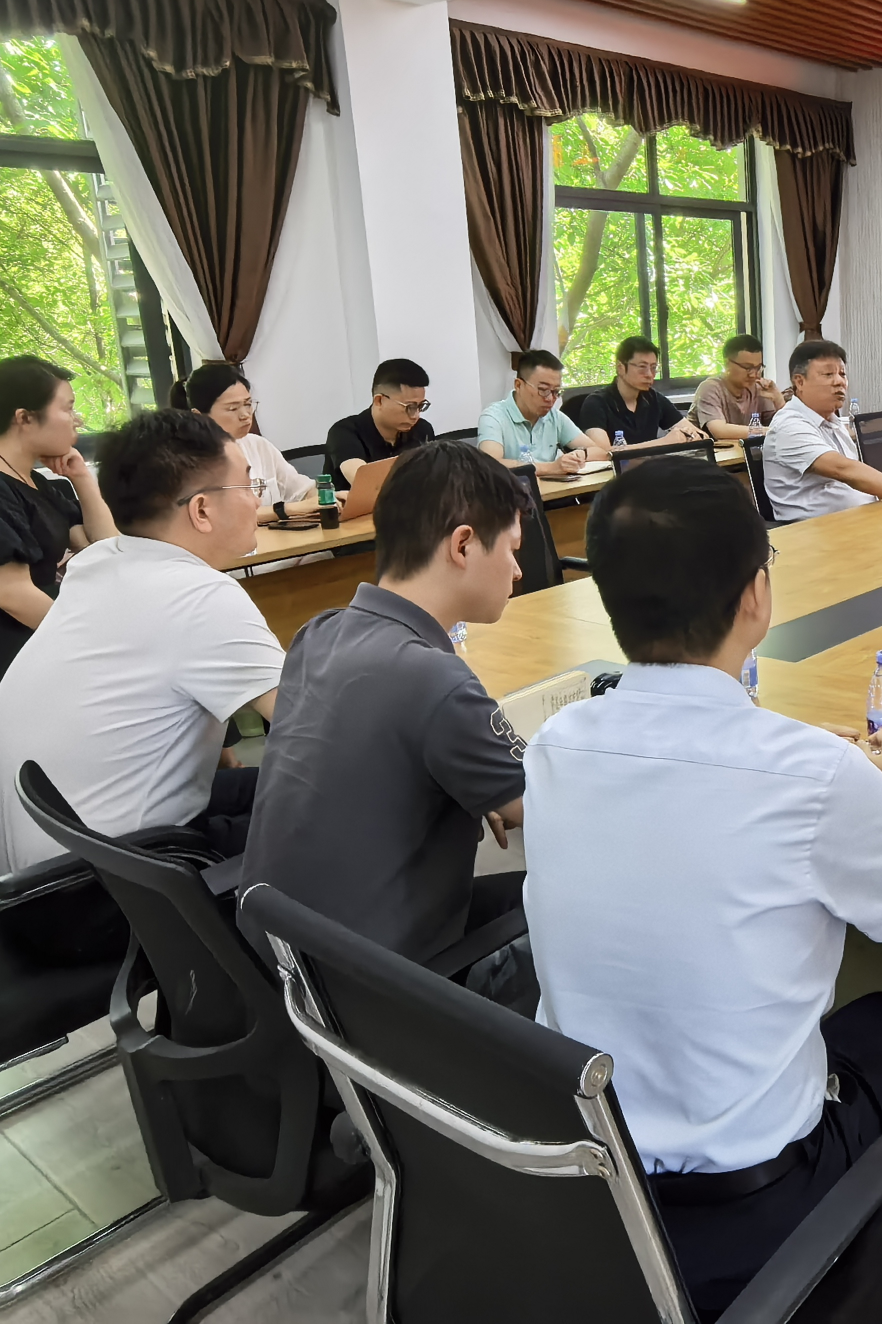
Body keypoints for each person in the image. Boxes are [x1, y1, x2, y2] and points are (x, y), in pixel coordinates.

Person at [522, 455, 882, 1316]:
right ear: (756, 597)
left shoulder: (556, 742)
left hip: (587, 1174)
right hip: (753, 1212)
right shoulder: (813, 772)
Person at [247, 442, 534, 1004]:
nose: (519, 570)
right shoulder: (434, 680)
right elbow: (550, 810)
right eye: (512, 549)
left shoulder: (317, 634)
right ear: (463, 544)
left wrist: (475, 787)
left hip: (287, 968)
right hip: (382, 997)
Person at [0, 409, 283, 876]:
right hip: (99, 884)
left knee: (274, 785)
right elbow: (315, 726)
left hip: (24, 863)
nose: (256, 498)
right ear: (201, 509)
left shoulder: (101, 561)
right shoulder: (198, 595)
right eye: (247, 484)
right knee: (346, 814)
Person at [0, 357, 117, 774]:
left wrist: (82, 478)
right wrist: (92, 641)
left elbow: (103, 544)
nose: (77, 420)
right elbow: (11, 594)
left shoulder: (33, 480)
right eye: (68, 408)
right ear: (24, 418)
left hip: (37, 644)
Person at [763, 341, 882, 519]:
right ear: (799, 382)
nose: (840, 382)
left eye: (842, 374)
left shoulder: (832, 421)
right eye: (828, 374)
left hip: (860, 519)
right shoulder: (789, 425)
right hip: (813, 530)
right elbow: (843, 469)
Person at [175, 362, 320, 525]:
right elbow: (220, 517)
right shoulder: (188, 459)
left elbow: (303, 490)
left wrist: (325, 500)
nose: (245, 415)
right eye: (232, 408)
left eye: (248, 404)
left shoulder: (258, 445)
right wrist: (284, 510)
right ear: (199, 416)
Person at [478, 349, 605, 479]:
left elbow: (600, 452)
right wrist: (551, 468)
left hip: (553, 490)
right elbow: (489, 464)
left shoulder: (555, 417)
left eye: (556, 391)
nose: (550, 399)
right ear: (518, 385)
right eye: (543, 390)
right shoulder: (494, 417)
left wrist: (580, 454)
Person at [577, 336, 708, 452]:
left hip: (650, 468)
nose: (649, 374)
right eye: (642, 367)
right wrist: (664, 442)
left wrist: (692, 435)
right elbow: (604, 453)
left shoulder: (653, 398)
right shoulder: (596, 403)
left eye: (653, 368)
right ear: (620, 368)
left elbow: (703, 437)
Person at [324, 358, 435, 490]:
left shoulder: (422, 430)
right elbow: (366, 484)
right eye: (409, 407)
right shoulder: (344, 432)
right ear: (379, 401)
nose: (415, 415)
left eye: (420, 406)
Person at [691, 334, 785, 441]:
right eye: (748, 367)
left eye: (758, 367)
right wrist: (769, 431)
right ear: (727, 364)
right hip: (706, 451)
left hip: (744, 450)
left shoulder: (759, 388)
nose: (753, 374)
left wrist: (778, 399)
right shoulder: (710, 388)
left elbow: (786, 426)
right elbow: (719, 431)